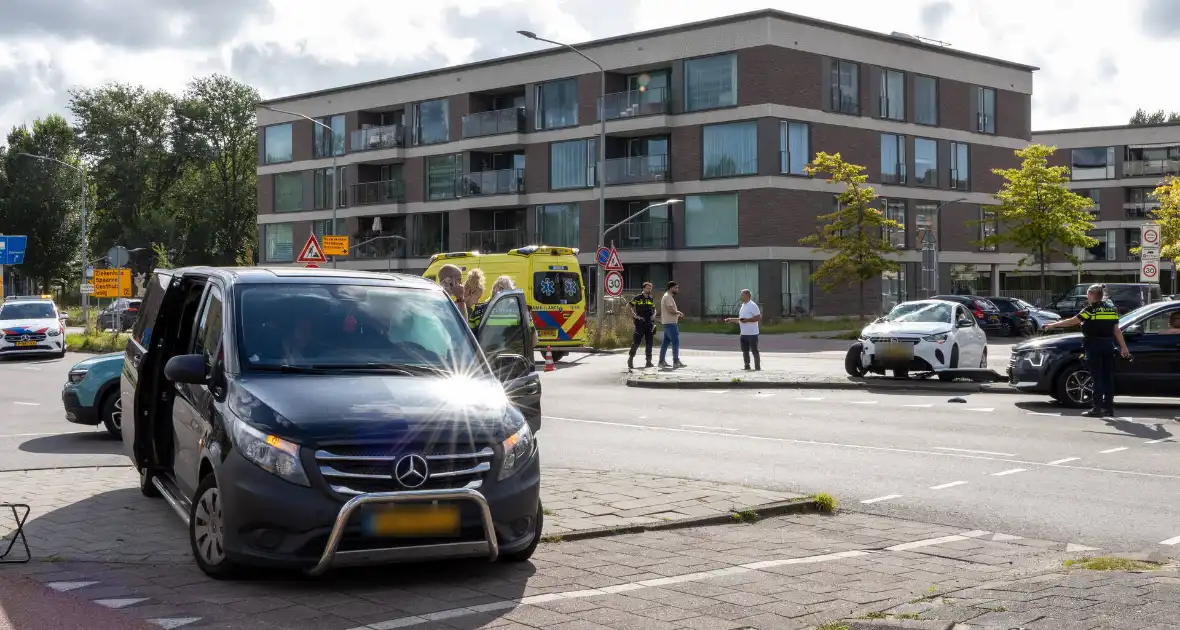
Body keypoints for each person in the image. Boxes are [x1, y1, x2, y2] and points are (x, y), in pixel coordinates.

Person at [1043, 284, 1130, 417]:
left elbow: (1072, 322)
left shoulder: (1090, 310)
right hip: (1108, 345)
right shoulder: (1112, 310)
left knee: (1096, 378)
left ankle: (1097, 409)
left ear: (1093, 295)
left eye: (1088, 294)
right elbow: (1116, 331)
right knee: (1107, 378)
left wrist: (1051, 325)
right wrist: (1124, 349)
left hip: (1094, 345)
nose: (1087, 296)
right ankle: (1108, 408)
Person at [726, 289, 762, 371]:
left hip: (752, 333)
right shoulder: (743, 306)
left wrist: (747, 320)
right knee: (745, 350)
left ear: (747, 296)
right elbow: (741, 319)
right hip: (743, 333)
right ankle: (747, 366)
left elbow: (758, 317)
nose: (741, 296)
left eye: (742, 295)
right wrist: (731, 319)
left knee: (754, 350)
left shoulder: (753, 305)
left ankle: (757, 367)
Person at [626, 282, 656, 370]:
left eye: (650, 288)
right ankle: (630, 359)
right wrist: (635, 316)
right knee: (636, 342)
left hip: (649, 323)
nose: (649, 290)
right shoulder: (638, 298)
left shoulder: (650, 298)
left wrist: (654, 315)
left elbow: (654, 309)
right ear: (643, 289)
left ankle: (648, 361)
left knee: (649, 343)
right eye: (647, 288)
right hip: (640, 323)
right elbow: (628, 307)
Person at [659, 281, 685, 369]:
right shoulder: (668, 297)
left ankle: (661, 361)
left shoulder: (667, 296)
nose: (677, 290)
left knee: (665, 343)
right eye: (676, 288)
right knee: (675, 342)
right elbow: (670, 309)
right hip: (671, 324)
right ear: (671, 288)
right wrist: (679, 313)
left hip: (667, 323)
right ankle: (676, 361)